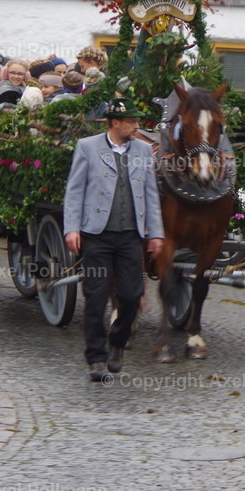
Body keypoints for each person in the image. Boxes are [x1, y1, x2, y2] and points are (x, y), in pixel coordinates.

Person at [63, 97, 164, 382]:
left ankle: (117, 344)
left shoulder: (144, 150)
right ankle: (96, 357)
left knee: (131, 297)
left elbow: (151, 195)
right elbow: (75, 190)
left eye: (137, 121)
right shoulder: (88, 147)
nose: (137, 126)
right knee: (95, 298)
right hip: (96, 236)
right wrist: (72, 228)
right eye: (132, 121)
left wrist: (155, 233)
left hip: (131, 236)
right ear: (114, 122)